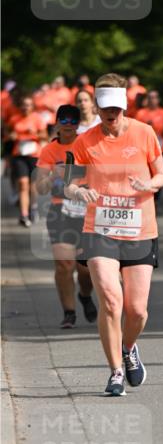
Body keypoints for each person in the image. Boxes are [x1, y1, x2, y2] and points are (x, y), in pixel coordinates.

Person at [65, 73, 163, 396]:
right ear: (96, 107)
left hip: (140, 228)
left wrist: (150, 185)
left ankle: (128, 346)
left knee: (137, 310)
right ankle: (115, 372)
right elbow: (68, 183)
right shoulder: (84, 141)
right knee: (111, 300)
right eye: (105, 108)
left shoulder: (145, 133)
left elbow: (162, 174)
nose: (111, 114)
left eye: (117, 108)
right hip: (99, 230)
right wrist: (79, 193)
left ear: (125, 106)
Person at [35, 103, 98, 328]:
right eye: (64, 121)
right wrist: (53, 176)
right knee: (64, 264)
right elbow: (40, 188)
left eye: (73, 121)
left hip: (85, 209)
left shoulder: (87, 144)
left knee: (86, 268)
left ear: (78, 124)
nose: (69, 125)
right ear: (57, 124)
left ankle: (85, 295)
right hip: (60, 209)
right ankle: (69, 312)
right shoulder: (49, 151)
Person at [7, 94, 48, 226]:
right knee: (23, 183)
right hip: (19, 155)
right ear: (20, 106)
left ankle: (33, 207)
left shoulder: (37, 119)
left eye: (29, 105)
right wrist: (11, 136)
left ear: (32, 106)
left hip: (34, 155)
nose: (26, 107)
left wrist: (34, 134)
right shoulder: (14, 119)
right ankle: (23, 214)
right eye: (24, 105)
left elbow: (45, 136)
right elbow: (7, 134)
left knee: (32, 186)